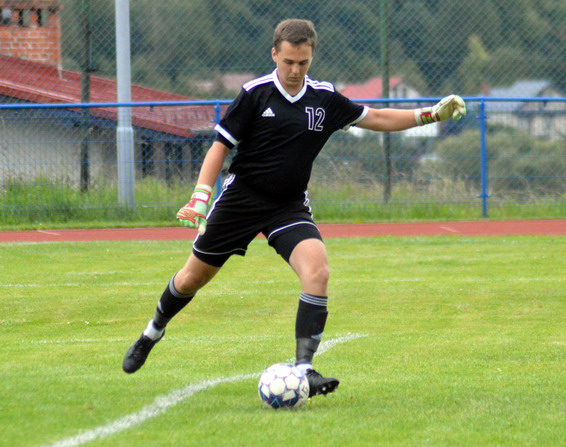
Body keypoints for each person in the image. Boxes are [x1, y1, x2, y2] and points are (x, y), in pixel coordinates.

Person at [122, 19, 466, 397]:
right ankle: (152, 332)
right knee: (191, 279)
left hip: (288, 206)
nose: (295, 70)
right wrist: (200, 195)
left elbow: (376, 117)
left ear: (311, 57)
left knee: (318, 271)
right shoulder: (255, 94)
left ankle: (305, 369)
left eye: (303, 62)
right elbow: (220, 146)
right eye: (288, 61)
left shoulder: (324, 98)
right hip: (241, 201)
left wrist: (431, 115)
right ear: (275, 54)